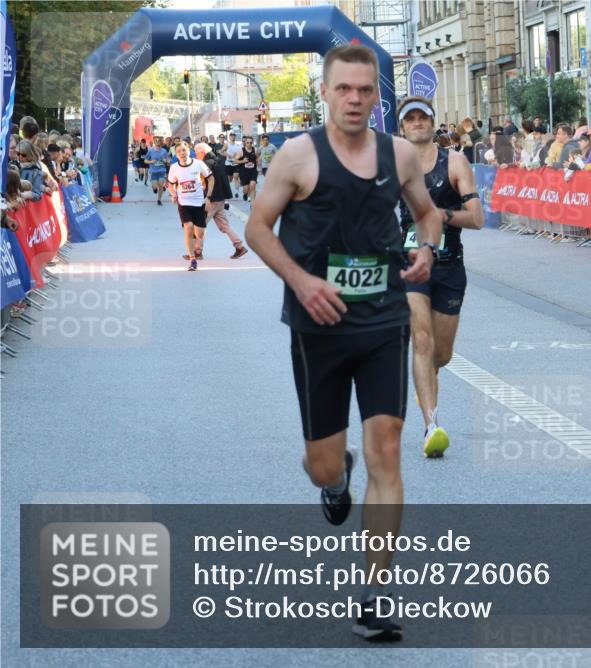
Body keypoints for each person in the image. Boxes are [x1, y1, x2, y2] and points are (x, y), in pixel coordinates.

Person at [243, 44, 440, 642]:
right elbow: (257, 227)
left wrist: (428, 248)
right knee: (323, 463)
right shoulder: (298, 157)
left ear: (375, 97)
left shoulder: (399, 154)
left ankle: (376, 592)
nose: (355, 99)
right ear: (325, 93)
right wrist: (301, 282)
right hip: (318, 327)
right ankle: (335, 478)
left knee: (389, 447)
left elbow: (428, 213)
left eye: (365, 90)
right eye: (344, 89)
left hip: (383, 320)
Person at [397, 96, 484, 458]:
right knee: (421, 340)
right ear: (402, 128)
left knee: (441, 355)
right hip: (409, 263)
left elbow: (476, 217)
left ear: (433, 124)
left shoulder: (455, 162)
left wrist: (439, 215)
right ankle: (431, 426)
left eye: (423, 118)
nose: (417, 123)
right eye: (410, 119)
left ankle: (426, 383)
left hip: (449, 266)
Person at [194, 142, 249, 260]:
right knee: (225, 226)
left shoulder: (205, 163)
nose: (196, 156)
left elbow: (204, 183)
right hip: (220, 198)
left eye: (197, 153)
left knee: (200, 225)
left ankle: (197, 252)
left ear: (202, 153)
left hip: (211, 199)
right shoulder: (218, 160)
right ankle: (239, 246)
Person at [166, 141, 213, 271]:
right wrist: (174, 194)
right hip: (184, 202)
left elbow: (211, 178)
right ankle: (192, 259)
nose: (182, 153)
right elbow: (170, 184)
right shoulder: (174, 167)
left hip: (198, 203)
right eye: (179, 151)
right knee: (188, 227)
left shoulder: (198, 164)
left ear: (189, 151)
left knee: (200, 234)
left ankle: (197, 246)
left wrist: (208, 196)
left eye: (184, 150)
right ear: (176, 154)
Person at [145, 136, 170, 206]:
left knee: (161, 185)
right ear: (154, 142)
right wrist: (151, 162)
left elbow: (168, 160)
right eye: (156, 141)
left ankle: (159, 200)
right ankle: (154, 188)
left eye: (159, 141)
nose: (157, 142)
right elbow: (145, 160)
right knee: (155, 186)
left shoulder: (164, 151)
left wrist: (166, 161)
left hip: (162, 170)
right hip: (153, 171)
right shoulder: (150, 150)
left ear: (161, 142)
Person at [236, 135, 259, 202]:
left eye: (251, 143)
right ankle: (245, 194)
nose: (249, 144)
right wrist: (243, 161)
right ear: (245, 143)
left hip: (253, 171)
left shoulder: (255, 150)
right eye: (247, 142)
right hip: (244, 172)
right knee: (245, 189)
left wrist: (256, 165)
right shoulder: (241, 151)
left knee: (252, 185)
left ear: (252, 143)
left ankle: (253, 204)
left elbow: (257, 158)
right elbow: (235, 160)